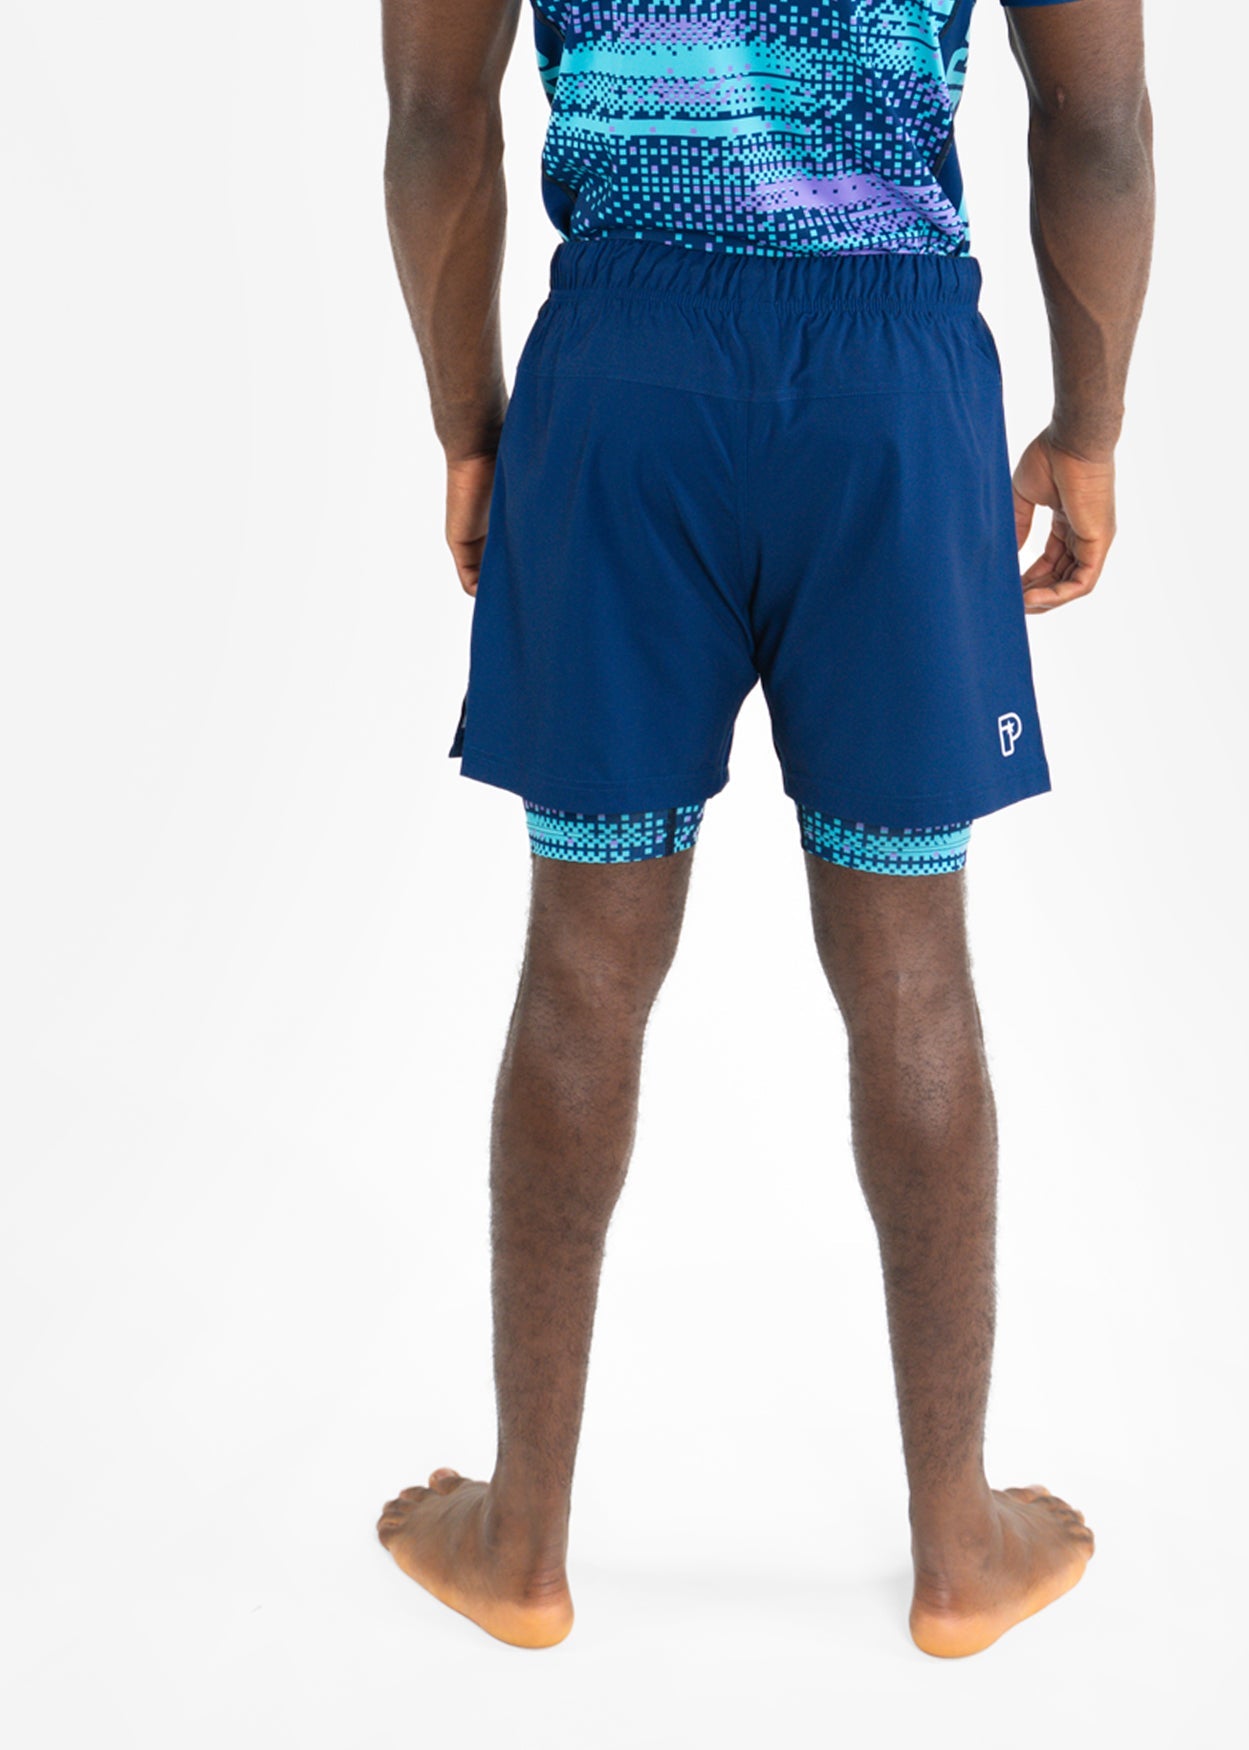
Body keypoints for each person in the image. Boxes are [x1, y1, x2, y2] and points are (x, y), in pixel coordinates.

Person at [375, 0, 1153, 1659]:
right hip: (889, 393)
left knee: (585, 964)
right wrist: (1089, 427)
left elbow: (438, 123)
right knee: (911, 967)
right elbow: (1096, 125)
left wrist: (471, 425)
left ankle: (521, 1545)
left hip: (623, 387)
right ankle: (960, 1552)